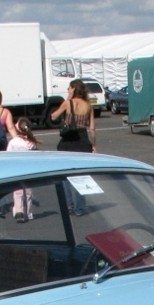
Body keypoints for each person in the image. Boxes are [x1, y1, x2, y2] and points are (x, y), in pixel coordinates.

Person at [50, 80, 97, 215]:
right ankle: (80, 207)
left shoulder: (67, 103)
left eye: (69, 88)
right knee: (81, 175)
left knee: (65, 175)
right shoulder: (88, 106)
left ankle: (68, 205)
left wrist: (67, 99)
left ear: (73, 90)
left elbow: (53, 116)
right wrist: (93, 144)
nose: (67, 90)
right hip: (82, 140)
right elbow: (92, 129)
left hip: (67, 141)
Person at [7, 118, 38, 223]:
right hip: (29, 170)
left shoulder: (13, 142)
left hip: (16, 170)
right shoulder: (31, 143)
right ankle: (27, 213)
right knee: (28, 192)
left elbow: (8, 156)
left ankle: (18, 212)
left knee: (18, 192)